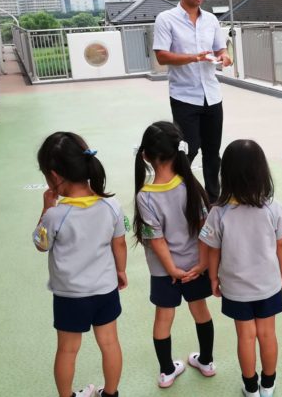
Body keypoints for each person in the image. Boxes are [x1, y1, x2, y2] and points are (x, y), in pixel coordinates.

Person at [32, 132, 127, 397]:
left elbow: (41, 244)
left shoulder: (55, 215)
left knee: (67, 350)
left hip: (70, 295)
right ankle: (110, 393)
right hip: (105, 289)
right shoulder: (111, 205)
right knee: (109, 343)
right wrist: (120, 271)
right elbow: (118, 243)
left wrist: (45, 208)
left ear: (54, 175)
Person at [199, 140, 282, 397]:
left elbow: (213, 249)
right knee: (267, 333)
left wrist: (213, 278)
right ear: (262, 172)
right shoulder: (273, 207)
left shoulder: (218, 212)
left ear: (225, 174)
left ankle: (250, 387)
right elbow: (281, 244)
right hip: (268, 284)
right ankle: (269, 385)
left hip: (236, 287)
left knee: (246, 337)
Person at [133, 121, 216, 389]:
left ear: (145, 155)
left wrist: (170, 269)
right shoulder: (190, 184)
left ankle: (167, 371)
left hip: (163, 271)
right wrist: (203, 263)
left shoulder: (145, 196)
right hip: (195, 265)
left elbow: (155, 240)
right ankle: (206, 361)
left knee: (163, 318)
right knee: (200, 311)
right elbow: (205, 229)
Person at [153, 0, 232, 204]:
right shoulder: (166, 19)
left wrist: (225, 56)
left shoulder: (211, 20)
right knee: (188, 150)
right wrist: (193, 57)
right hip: (184, 96)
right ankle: (184, 196)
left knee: (212, 152)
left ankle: (213, 199)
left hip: (212, 95)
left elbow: (221, 48)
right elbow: (162, 57)